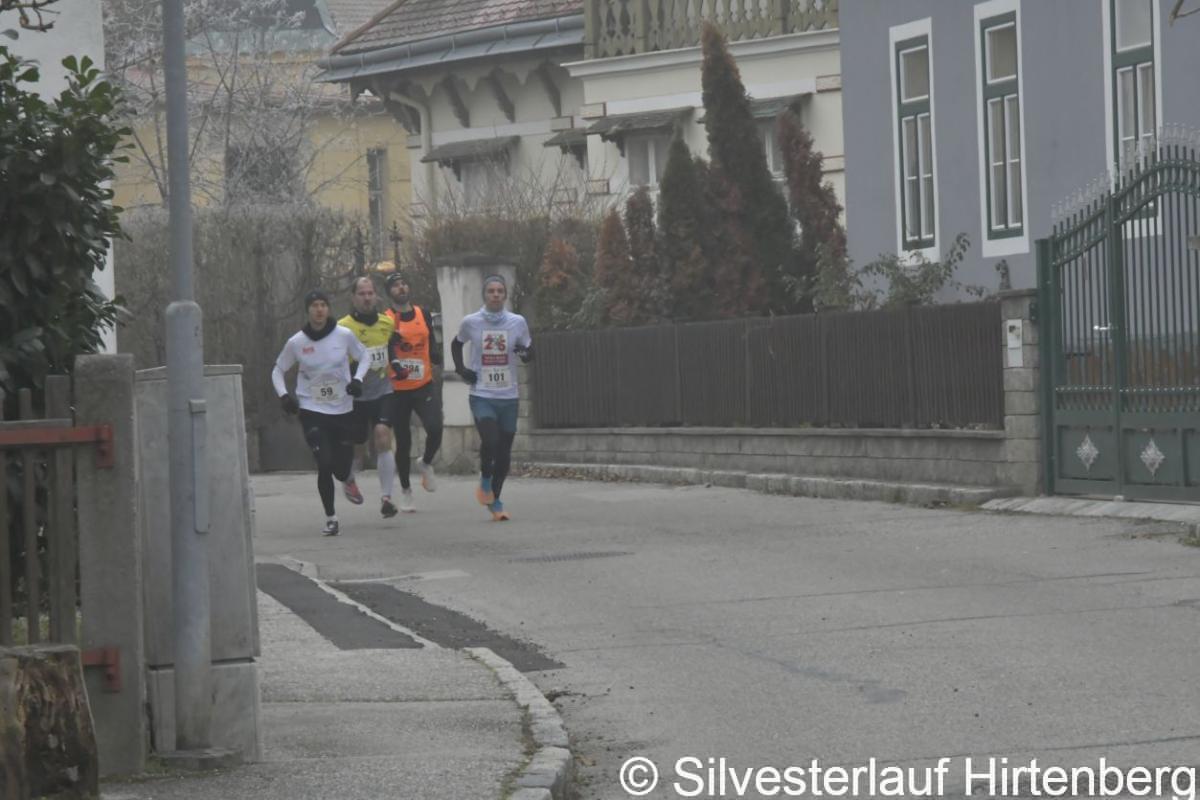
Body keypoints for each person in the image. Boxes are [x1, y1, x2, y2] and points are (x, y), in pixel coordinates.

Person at [272, 289, 370, 536]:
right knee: (324, 463)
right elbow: (278, 370)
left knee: (340, 468)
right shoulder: (297, 342)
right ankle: (331, 518)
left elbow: (365, 356)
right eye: (314, 305)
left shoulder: (343, 335)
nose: (319, 310)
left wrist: (357, 379)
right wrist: (284, 396)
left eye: (323, 305)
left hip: (342, 408)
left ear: (328, 309)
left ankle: (347, 478)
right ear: (308, 310)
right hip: (312, 409)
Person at [451, 274, 533, 521]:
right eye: (491, 291)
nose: (496, 295)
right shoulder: (471, 322)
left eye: (500, 291)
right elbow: (456, 344)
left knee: (504, 453)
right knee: (491, 440)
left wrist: (524, 353)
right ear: (484, 295)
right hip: (482, 394)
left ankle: (495, 500)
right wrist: (461, 369)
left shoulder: (517, 322)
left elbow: (530, 351)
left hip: (509, 396)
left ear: (505, 295)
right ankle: (485, 477)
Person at [338, 276, 401, 518]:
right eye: (361, 294)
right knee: (357, 446)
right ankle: (348, 478)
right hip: (355, 397)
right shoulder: (342, 327)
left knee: (383, 435)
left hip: (383, 391)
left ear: (376, 296)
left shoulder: (387, 322)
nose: (366, 298)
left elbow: (390, 348)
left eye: (370, 293)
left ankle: (386, 498)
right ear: (353, 298)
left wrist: (397, 364)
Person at [383, 271, 444, 512]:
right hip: (397, 389)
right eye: (396, 285)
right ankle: (406, 491)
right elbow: (385, 347)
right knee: (403, 441)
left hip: (423, 384)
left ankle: (426, 462)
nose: (401, 288)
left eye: (404, 284)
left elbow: (430, 339)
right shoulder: (386, 319)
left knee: (435, 427)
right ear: (389, 293)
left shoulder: (422, 313)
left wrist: (435, 354)